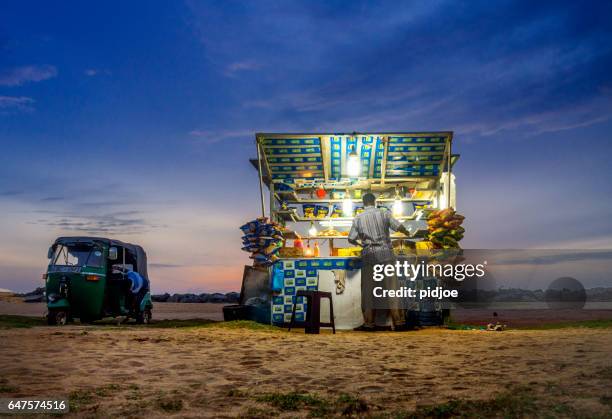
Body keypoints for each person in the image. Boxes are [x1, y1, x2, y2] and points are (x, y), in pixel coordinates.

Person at [348, 192, 410, 331]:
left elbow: (351, 238)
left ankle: (369, 323)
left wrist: (361, 245)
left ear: (363, 203)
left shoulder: (358, 218)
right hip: (386, 254)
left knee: (368, 291)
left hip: (369, 255)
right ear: (374, 202)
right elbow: (398, 226)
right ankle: (399, 322)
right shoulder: (384, 213)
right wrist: (407, 232)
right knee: (392, 289)